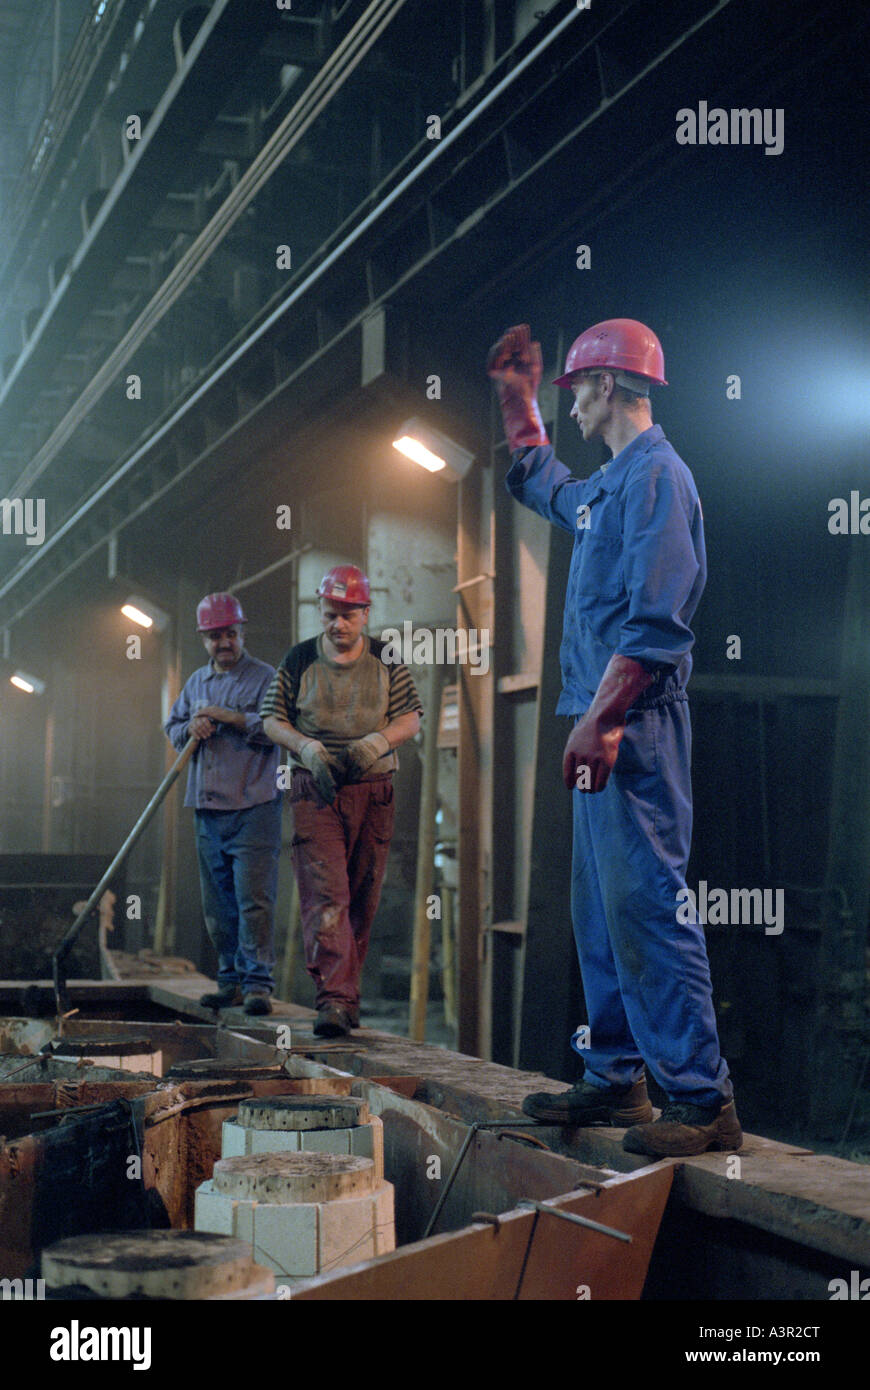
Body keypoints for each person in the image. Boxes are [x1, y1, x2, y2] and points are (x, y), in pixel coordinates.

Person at [487, 320, 741, 1157]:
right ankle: (617, 1078)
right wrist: (517, 402)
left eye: (570, 393)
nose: (571, 410)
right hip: (601, 720)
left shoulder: (660, 479)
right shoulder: (609, 487)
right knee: (599, 908)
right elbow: (546, 486)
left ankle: (702, 1100)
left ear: (605, 387)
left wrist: (602, 720)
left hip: (635, 724)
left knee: (647, 904)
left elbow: (659, 622)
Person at [261, 565, 422, 1037]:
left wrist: (375, 743)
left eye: (349, 615)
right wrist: (307, 749)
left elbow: (410, 717)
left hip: (374, 789)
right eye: (331, 614)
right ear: (321, 612)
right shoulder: (298, 659)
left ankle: (347, 998)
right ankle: (333, 999)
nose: (339, 624)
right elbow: (271, 719)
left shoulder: (387, 659)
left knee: (362, 900)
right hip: (315, 790)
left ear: (366, 614)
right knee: (326, 897)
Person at [165, 592, 282, 1016]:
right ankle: (229, 979)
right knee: (218, 905)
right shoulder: (196, 682)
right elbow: (172, 725)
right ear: (204, 640)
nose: (223, 643)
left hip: (254, 807)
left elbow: (277, 728)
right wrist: (190, 725)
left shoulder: (266, 677)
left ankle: (258, 985)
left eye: (230, 634)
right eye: (214, 636)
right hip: (208, 809)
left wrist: (231, 717)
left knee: (254, 900)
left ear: (241, 632)